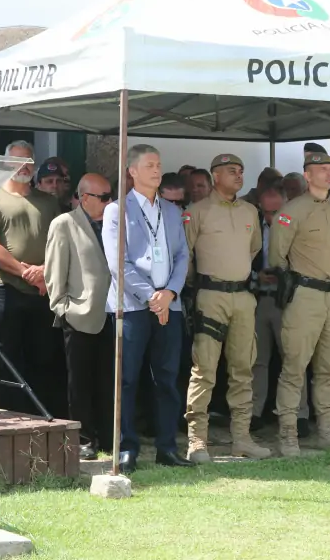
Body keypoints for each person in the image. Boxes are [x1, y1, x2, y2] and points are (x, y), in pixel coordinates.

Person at [103, 144, 191, 472]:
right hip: (133, 306)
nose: (157, 170)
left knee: (167, 378)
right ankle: (127, 448)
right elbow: (117, 263)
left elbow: (182, 255)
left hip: (170, 304)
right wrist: (152, 298)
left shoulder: (170, 210)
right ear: (133, 171)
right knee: (126, 379)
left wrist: (169, 293)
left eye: (159, 164)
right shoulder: (117, 210)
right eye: (150, 165)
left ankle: (167, 447)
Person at [269, 152, 330, 456]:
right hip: (304, 294)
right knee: (295, 366)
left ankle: (329, 431)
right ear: (306, 175)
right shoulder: (291, 211)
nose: (327, 173)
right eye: (320, 169)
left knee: (329, 368)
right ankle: (288, 435)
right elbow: (276, 258)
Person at [183, 153, 271, 463]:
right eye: (231, 171)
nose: (238, 175)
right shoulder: (197, 213)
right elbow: (186, 257)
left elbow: (254, 249)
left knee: (243, 369)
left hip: (242, 297)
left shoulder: (250, 211)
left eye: (241, 171)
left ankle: (242, 438)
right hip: (210, 294)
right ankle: (197, 440)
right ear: (214, 176)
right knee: (204, 369)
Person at [0, 141, 65, 417]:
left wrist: (44, 273)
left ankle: (43, 414)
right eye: (17, 161)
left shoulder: (49, 201)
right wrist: (26, 272)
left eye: (28, 161)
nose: (24, 166)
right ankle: (9, 415)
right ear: (5, 164)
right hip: (6, 289)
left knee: (44, 356)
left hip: (44, 290)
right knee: (8, 357)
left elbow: (62, 243)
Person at [44, 173, 114, 460]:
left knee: (109, 379)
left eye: (112, 196)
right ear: (84, 198)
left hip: (114, 313)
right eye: (104, 197)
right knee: (80, 382)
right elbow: (54, 272)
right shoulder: (64, 224)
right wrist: (63, 307)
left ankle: (110, 437)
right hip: (80, 314)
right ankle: (85, 438)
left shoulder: (114, 224)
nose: (110, 203)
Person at [251, 183, 310, 434]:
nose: (271, 218)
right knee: (257, 359)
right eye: (267, 212)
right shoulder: (255, 227)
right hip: (260, 298)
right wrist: (256, 276)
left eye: (276, 212)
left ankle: (300, 414)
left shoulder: (296, 228)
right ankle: (254, 411)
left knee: (294, 358)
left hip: (288, 299)